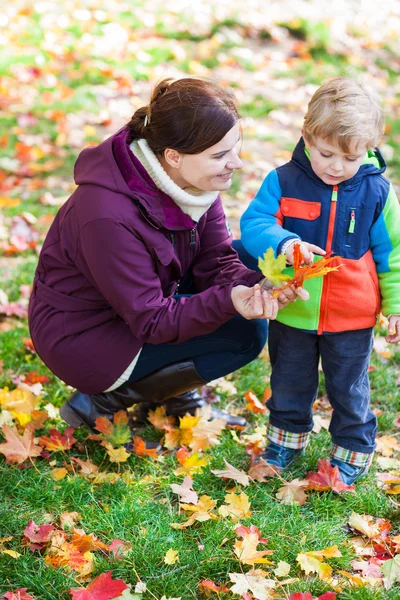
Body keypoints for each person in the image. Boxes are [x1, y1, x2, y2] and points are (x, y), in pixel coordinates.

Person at [28, 77, 308, 443]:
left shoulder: (189, 180)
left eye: (235, 149)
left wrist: (259, 287)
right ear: (173, 156)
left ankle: (172, 395)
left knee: (246, 260)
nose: (235, 164)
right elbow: (152, 320)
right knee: (243, 332)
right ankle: (102, 399)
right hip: (84, 338)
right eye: (220, 155)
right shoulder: (106, 216)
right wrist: (230, 301)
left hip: (135, 304)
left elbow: (217, 259)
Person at [240, 77, 400, 484]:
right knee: (289, 380)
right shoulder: (283, 181)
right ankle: (284, 441)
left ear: (367, 150)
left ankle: (352, 450)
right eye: (327, 154)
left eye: (351, 158)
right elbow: (255, 224)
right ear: (307, 138)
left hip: (352, 314)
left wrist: (395, 305)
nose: (337, 167)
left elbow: (392, 254)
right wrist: (286, 242)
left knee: (349, 387)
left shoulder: (377, 191)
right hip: (294, 308)